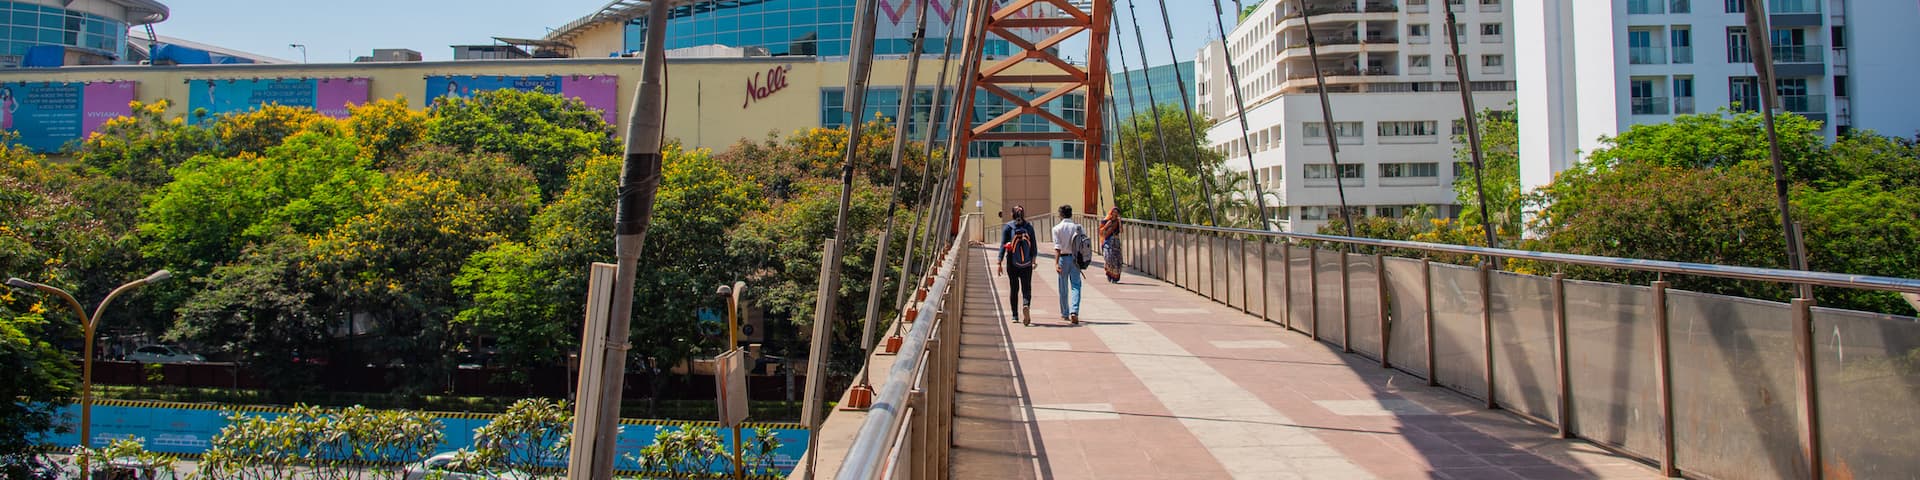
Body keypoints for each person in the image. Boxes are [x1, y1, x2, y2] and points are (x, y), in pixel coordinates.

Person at [996, 206, 1038, 326]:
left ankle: (1015, 315)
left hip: (1012, 263)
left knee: (1014, 289)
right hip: (1027, 263)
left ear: (1012, 215)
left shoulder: (1008, 227)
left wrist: (999, 262)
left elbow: (1002, 246)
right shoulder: (1028, 227)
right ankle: (1026, 304)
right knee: (1026, 288)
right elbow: (1034, 246)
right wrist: (1033, 260)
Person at [1052, 204, 1087, 324]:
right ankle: (1074, 311)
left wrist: (1056, 263)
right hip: (1075, 259)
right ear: (1071, 214)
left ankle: (1065, 313)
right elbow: (1083, 243)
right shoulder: (1078, 227)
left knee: (1063, 287)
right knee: (1076, 285)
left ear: (1061, 215)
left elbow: (1057, 247)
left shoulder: (1057, 228)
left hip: (1063, 258)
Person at [1100, 207, 1124, 283]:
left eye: (1116, 212)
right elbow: (1101, 231)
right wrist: (1106, 226)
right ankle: (1109, 274)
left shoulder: (1118, 221)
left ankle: (1115, 277)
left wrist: (1119, 222)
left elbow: (1121, 231)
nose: (1115, 214)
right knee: (1108, 258)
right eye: (1114, 212)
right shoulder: (1106, 221)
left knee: (1117, 260)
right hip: (1108, 241)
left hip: (1116, 242)